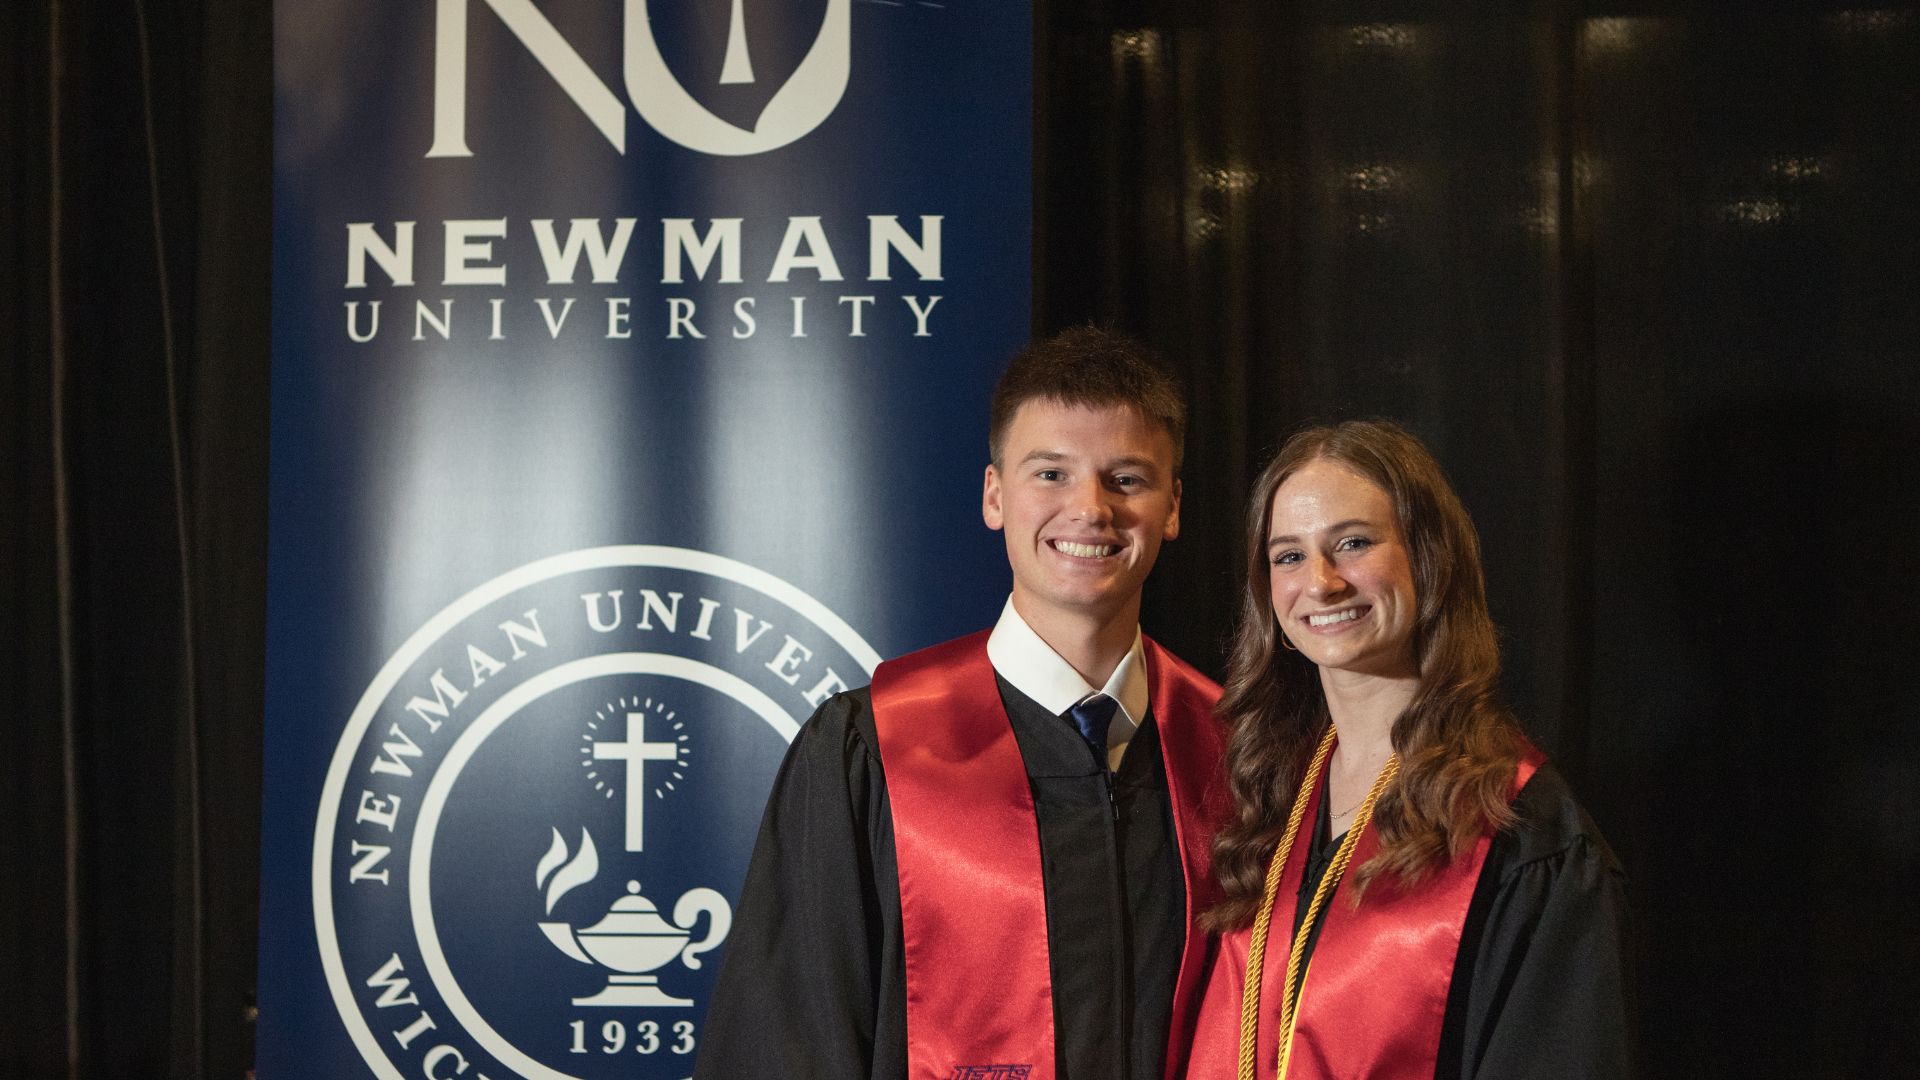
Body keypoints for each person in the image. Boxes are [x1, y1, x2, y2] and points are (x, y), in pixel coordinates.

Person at [694, 327, 1231, 1080]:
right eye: (1050, 473)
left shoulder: (1233, 757)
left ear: (1172, 507)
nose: (1090, 508)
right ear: (994, 495)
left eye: (1127, 479)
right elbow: (786, 1044)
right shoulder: (871, 750)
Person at [1180, 420, 1633, 1080]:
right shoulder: (1271, 800)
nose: (1322, 582)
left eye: (1354, 544)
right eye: (1288, 556)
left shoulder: (1520, 830)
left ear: (1429, 557)